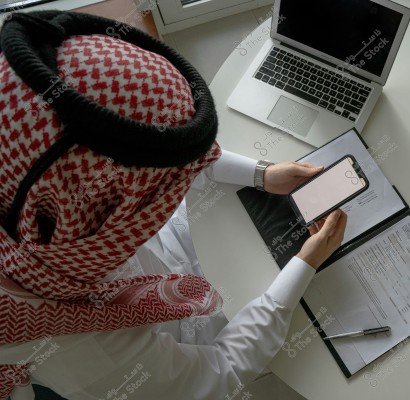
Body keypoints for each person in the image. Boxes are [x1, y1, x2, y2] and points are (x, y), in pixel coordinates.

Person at [0, 11, 347, 399]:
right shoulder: (91, 351)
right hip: (181, 339)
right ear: (105, 205)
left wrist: (261, 172)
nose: (185, 175)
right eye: (164, 180)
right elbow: (219, 372)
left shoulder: (35, 174)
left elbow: (152, 153)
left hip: (159, 263)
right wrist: (303, 266)